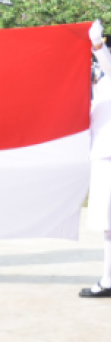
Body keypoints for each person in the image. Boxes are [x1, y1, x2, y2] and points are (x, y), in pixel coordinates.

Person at [81, 21, 111, 298]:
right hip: (102, 154)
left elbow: (105, 59)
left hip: (107, 156)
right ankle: (108, 278)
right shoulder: (103, 80)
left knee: (108, 223)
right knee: (107, 225)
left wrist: (98, 44)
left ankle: (109, 281)